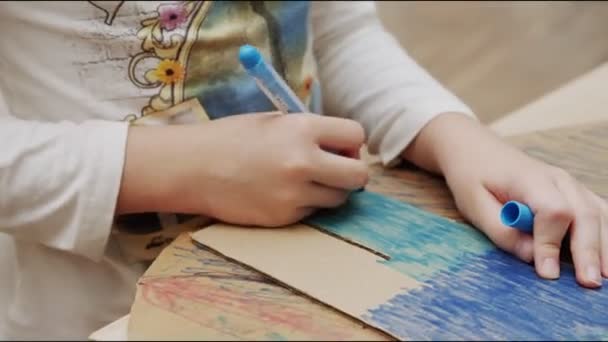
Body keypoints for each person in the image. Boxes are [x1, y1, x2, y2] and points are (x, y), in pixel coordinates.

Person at [0, 1, 606, 339]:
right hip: (103, 320)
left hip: (318, 290)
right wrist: (179, 169)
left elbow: (337, 36)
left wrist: (454, 136)